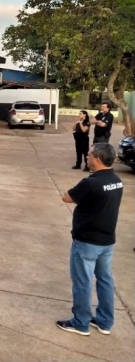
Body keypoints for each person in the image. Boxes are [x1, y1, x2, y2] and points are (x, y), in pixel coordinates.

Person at [57, 143, 123, 336]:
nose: (87, 158)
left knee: (82, 282)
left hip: (87, 241)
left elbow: (67, 197)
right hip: (107, 241)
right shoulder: (116, 180)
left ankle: (80, 322)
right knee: (105, 280)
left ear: (97, 159)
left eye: (89, 155)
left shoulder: (90, 182)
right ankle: (104, 321)